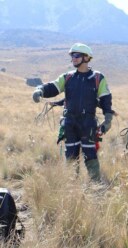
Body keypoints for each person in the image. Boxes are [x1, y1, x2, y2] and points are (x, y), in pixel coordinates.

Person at [32, 43, 113, 181]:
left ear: (87, 57)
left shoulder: (98, 78)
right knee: (70, 157)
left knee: (90, 156)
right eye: (72, 56)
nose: (73, 59)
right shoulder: (67, 77)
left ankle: (96, 189)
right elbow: (53, 87)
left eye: (76, 55)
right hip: (70, 123)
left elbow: (106, 99)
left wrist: (108, 120)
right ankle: (70, 189)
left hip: (88, 124)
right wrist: (40, 90)